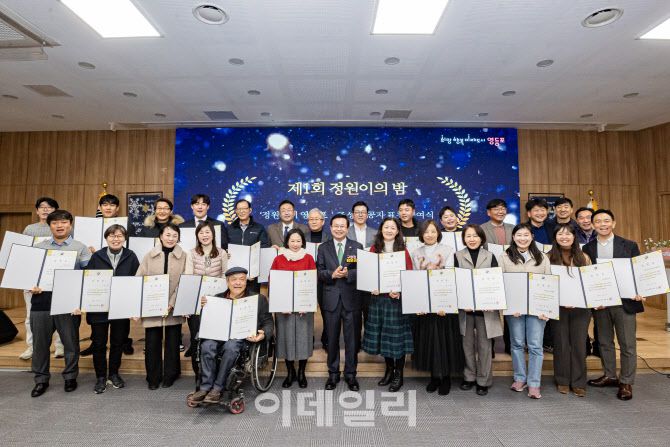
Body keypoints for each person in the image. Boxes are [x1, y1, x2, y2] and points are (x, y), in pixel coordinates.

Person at [29, 210, 91, 397]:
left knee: (70, 343)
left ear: (70, 225)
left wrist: (81, 302)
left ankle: (70, 377)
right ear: (49, 226)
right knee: (40, 345)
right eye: (55, 223)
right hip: (41, 302)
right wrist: (31, 285)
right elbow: (30, 274)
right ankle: (41, 380)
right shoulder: (39, 247)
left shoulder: (80, 247)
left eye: (63, 222)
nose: (59, 226)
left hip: (68, 303)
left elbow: (87, 276)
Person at [583, 209, 644, 401]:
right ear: (593, 225)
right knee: (604, 341)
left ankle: (626, 381)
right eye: (598, 221)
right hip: (602, 303)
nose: (602, 224)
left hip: (625, 302)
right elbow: (587, 276)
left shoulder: (629, 245)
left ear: (614, 223)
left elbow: (638, 272)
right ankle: (609, 375)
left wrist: (640, 290)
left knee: (627, 344)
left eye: (606, 220)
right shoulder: (587, 248)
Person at [188, 267, 273, 404]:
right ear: (227, 282)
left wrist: (263, 334)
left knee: (231, 347)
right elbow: (205, 322)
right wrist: (205, 308)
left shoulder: (258, 299)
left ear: (246, 282)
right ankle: (205, 387)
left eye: (242, 279)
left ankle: (217, 388)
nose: (238, 283)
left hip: (242, 338)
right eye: (234, 280)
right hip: (218, 336)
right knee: (207, 345)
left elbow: (268, 322)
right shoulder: (217, 298)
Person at [84, 224, 140, 394]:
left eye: (119, 236)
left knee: (118, 343)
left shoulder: (131, 256)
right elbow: (88, 282)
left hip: (121, 308)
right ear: (106, 238)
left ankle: (114, 374)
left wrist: (134, 307)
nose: (116, 239)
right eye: (112, 236)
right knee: (99, 344)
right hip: (99, 308)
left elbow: (136, 282)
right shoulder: (97, 256)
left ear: (125, 238)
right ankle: (101, 377)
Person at [410, 220, 463, 395]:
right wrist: (418, 303)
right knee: (429, 340)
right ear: (421, 234)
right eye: (426, 232)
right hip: (424, 303)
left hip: (443, 302)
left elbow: (450, 276)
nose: (430, 235)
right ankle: (434, 377)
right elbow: (414, 279)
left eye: (433, 231)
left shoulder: (448, 250)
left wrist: (444, 302)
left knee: (445, 340)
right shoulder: (416, 252)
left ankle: (446, 377)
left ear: (438, 233)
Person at [500, 223, 552, 399]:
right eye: (519, 235)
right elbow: (500, 284)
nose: (522, 238)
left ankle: (534, 383)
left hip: (537, 310)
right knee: (517, 344)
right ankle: (520, 378)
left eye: (526, 235)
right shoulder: (504, 257)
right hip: (514, 310)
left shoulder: (542, 257)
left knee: (535, 345)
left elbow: (548, 283)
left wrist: (546, 309)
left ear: (532, 237)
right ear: (513, 237)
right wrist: (510, 306)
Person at [362, 217, 414, 392]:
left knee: (396, 339)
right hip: (378, 300)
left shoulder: (403, 251)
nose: (389, 230)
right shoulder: (374, 249)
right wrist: (372, 286)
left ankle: (399, 373)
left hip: (395, 301)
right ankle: (389, 370)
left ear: (398, 231)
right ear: (381, 230)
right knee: (383, 337)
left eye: (393, 228)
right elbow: (368, 273)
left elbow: (409, 275)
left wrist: (400, 291)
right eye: (386, 227)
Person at [81, 193, 134, 358]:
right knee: (98, 315)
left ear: (117, 208)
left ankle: (124, 342)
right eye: (105, 204)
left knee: (121, 319)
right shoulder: (89, 225)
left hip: (121, 269)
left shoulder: (126, 225)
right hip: (99, 269)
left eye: (112, 205)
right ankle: (96, 343)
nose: (108, 207)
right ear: (100, 207)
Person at [136, 223, 187, 389]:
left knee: (172, 343)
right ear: (160, 236)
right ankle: (153, 377)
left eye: (174, 235)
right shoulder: (149, 256)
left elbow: (184, 281)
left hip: (174, 306)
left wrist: (172, 303)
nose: (171, 238)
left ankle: (171, 375)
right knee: (152, 344)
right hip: (152, 307)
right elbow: (139, 279)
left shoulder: (184, 256)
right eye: (168, 235)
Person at [316, 214, 363, 391]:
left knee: (352, 340)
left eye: (342, 226)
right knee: (332, 339)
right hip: (331, 300)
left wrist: (349, 274)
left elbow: (362, 270)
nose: (339, 229)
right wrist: (332, 274)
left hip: (352, 299)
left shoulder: (356, 247)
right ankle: (333, 374)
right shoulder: (323, 248)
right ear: (330, 227)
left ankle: (351, 375)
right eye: (336, 226)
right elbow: (319, 272)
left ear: (347, 228)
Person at [454, 224, 500, 396]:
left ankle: (483, 380)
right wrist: (461, 302)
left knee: (484, 346)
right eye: (468, 236)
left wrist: (492, 301)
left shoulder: (490, 256)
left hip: (485, 310)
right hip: (465, 310)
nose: (472, 239)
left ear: (481, 238)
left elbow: (496, 282)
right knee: (466, 345)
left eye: (475, 236)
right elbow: (454, 282)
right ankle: (469, 377)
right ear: (464, 239)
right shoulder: (457, 256)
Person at [548, 223, 592, 397]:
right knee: (561, 344)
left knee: (579, 344)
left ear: (574, 237)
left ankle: (579, 382)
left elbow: (589, 283)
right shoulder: (548, 257)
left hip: (580, 308)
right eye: (560, 234)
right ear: (555, 237)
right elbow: (545, 285)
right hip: (557, 308)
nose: (564, 237)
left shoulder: (584, 257)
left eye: (568, 234)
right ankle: (562, 380)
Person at [270, 229, 316, 388]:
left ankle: (302, 372)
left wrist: (307, 304)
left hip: (304, 307)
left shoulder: (309, 258)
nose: (295, 244)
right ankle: (290, 372)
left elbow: (313, 281)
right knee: (286, 338)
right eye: (292, 241)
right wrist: (280, 304)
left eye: (298, 241)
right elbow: (273, 282)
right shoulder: (279, 259)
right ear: (287, 242)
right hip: (284, 308)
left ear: (303, 242)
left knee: (304, 338)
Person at [20, 197, 62, 361]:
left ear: (56, 211)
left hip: (55, 277)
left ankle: (60, 345)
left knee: (59, 313)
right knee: (30, 315)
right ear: (37, 211)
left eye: (49, 207)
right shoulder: (29, 229)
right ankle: (32, 347)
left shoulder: (62, 228)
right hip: (33, 277)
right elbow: (22, 253)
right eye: (42, 207)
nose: (45, 210)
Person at [183, 221, 227, 364]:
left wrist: (218, 294)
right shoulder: (191, 253)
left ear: (213, 234)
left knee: (214, 337)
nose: (204, 235)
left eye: (207, 232)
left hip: (216, 301)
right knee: (196, 337)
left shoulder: (222, 253)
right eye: (201, 232)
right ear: (197, 236)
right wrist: (188, 304)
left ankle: (214, 368)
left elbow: (225, 275)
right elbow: (188, 277)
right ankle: (198, 373)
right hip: (197, 301)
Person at [525, 198, 555, 352]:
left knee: (546, 306)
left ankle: (548, 342)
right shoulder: (523, 229)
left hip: (549, 271)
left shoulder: (553, 227)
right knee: (529, 309)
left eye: (543, 210)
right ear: (529, 213)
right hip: (528, 271)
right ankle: (528, 342)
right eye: (536, 210)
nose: (540, 213)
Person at [227, 199, 270, 293]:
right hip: (234, 275)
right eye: (239, 209)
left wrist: (253, 271)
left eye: (244, 208)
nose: (241, 211)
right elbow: (224, 249)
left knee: (251, 300)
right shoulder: (229, 229)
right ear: (235, 211)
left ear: (250, 210)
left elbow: (264, 249)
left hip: (253, 277)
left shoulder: (259, 228)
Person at [305, 208, 331, 350]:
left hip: (324, 279)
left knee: (327, 310)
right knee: (306, 310)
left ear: (323, 221)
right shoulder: (301, 237)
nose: (314, 221)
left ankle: (326, 339)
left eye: (317, 219)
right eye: (311, 219)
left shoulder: (329, 238)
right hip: (305, 279)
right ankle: (308, 339)